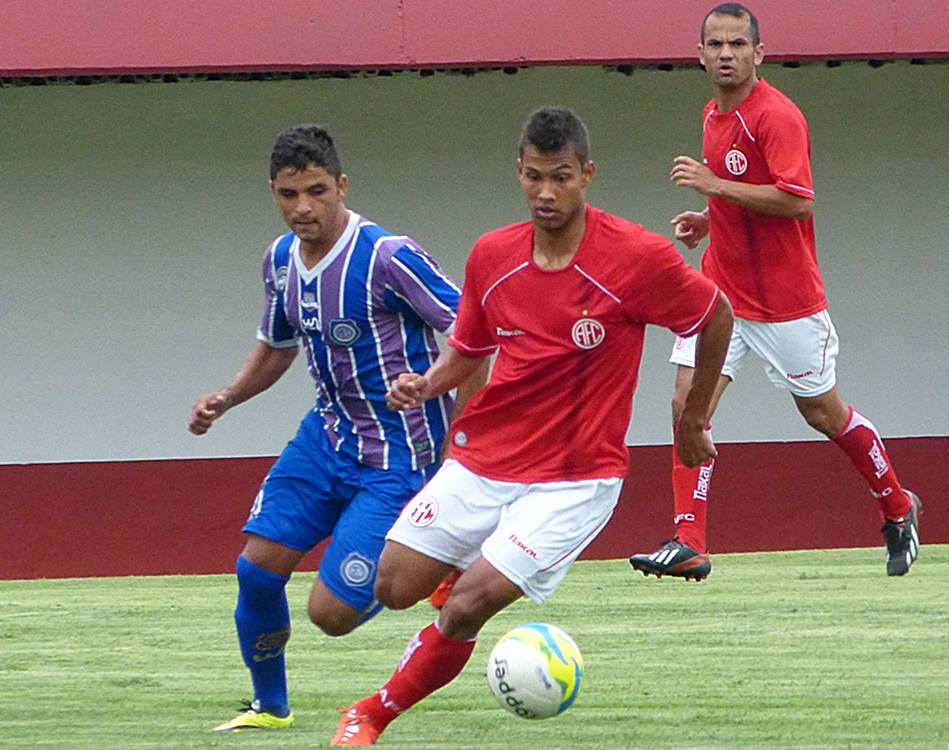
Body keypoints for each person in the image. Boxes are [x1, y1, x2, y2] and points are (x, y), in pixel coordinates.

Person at [328, 106, 733, 746]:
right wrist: (428, 383)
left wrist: (694, 416)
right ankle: (459, 581)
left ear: (587, 175)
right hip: (484, 459)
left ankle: (371, 713)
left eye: (562, 178)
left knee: (466, 607)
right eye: (536, 177)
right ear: (519, 172)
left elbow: (715, 315)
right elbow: (468, 346)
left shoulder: (636, 257)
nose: (547, 193)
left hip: (575, 480)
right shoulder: (493, 255)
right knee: (394, 586)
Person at [188, 124, 481, 732]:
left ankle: (433, 558)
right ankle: (270, 707)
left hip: (400, 455)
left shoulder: (388, 256)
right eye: (289, 194)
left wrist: (464, 436)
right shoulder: (278, 260)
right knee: (255, 569)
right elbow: (277, 345)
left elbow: (474, 336)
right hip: (325, 440)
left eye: (317, 191)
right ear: (273, 192)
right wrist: (229, 396)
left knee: (331, 615)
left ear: (342, 185)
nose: (303, 207)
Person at [629, 3, 921, 582]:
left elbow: (798, 199)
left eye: (738, 44)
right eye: (715, 45)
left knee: (822, 413)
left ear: (759, 53)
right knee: (688, 407)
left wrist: (716, 185)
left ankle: (897, 503)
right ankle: (689, 539)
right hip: (721, 293)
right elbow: (743, 190)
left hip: (786, 303)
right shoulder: (713, 114)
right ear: (700, 54)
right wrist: (710, 217)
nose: (726, 54)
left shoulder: (777, 115)